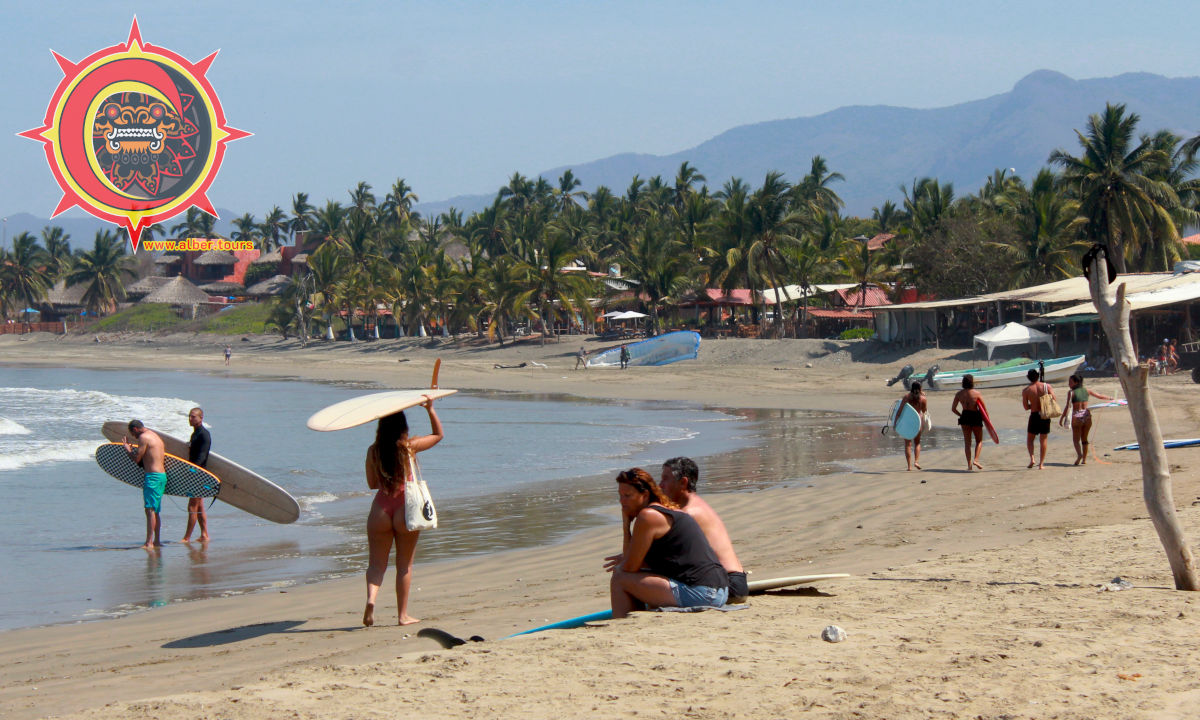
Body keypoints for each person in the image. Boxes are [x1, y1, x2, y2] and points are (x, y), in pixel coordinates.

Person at [605, 468, 728, 619]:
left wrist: (625, 528)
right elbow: (634, 563)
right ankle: (632, 619)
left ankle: (623, 625)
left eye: (627, 496)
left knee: (619, 578)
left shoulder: (648, 516)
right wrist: (628, 553)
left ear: (644, 495)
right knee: (633, 574)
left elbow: (629, 568)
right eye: (620, 495)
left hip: (703, 593)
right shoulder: (668, 511)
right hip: (720, 590)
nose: (622, 501)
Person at [363, 397, 443, 627]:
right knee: (404, 565)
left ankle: (371, 600)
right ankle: (402, 616)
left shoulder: (373, 451)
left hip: (381, 509)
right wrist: (431, 410)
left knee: (376, 565)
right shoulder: (410, 447)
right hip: (405, 509)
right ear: (403, 428)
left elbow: (371, 484)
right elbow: (438, 435)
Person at [658, 457, 748, 603]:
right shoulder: (698, 505)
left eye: (665, 479)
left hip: (727, 584)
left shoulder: (689, 513)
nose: (660, 485)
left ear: (683, 482)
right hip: (734, 581)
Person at [123, 420, 166, 549]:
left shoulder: (143, 438)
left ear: (135, 429)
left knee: (149, 510)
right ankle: (157, 541)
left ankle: (149, 542)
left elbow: (137, 459)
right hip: (162, 476)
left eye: (132, 433)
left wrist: (128, 450)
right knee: (156, 510)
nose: (134, 437)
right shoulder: (154, 435)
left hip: (152, 477)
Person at [1059, 374, 1112, 466]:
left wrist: (1062, 417)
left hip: (1077, 417)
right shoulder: (1087, 390)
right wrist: (1112, 398)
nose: (1069, 384)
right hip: (1087, 416)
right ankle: (1084, 459)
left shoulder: (1071, 392)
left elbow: (1068, 406)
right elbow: (1100, 396)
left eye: (1070, 382)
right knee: (1084, 438)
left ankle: (1079, 455)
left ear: (1076, 382)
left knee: (1076, 440)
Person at [183, 407, 211, 542]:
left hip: (199, 474)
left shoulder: (204, 435)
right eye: (189, 416)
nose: (190, 419)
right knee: (199, 506)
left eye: (193, 416)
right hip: (195, 473)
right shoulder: (195, 434)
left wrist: (193, 471)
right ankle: (204, 534)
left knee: (192, 506)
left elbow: (202, 457)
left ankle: (187, 537)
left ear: (201, 418)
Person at [1021, 369, 1057, 469]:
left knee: (1030, 439)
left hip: (1034, 415)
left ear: (1028, 378)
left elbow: (1025, 407)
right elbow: (1054, 399)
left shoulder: (1026, 390)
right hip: (1044, 415)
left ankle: (1032, 458)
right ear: (1038, 376)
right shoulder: (1046, 386)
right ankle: (1041, 464)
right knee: (1043, 439)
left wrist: (1032, 405)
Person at [951, 374, 985, 471]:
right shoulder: (977, 393)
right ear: (972, 382)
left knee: (967, 443)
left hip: (965, 416)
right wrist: (987, 420)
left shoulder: (959, 394)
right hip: (975, 416)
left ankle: (969, 465)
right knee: (979, 440)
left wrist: (961, 415)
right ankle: (976, 460)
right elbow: (984, 409)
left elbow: (953, 409)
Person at [893, 382, 927, 471]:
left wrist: (895, 423)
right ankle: (916, 461)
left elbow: (899, 411)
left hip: (907, 422)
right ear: (920, 388)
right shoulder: (923, 398)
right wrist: (924, 398)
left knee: (908, 444)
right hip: (918, 422)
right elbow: (924, 411)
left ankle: (909, 466)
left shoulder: (906, 397)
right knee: (917, 443)